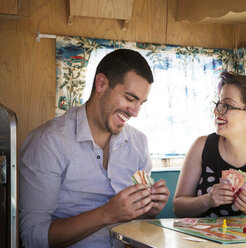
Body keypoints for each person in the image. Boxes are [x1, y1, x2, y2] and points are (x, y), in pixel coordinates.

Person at [19, 49, 170, 248]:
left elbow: (137, 224)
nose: (135, 112)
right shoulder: (48, 142)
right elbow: (31, 237)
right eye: (130, 98)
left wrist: (149, 209)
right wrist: (106, 214)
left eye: (141, 103)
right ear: (101, 84)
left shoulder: (139, 143)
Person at [173, 71, 246, 218]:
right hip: (198, 240)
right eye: (219, 104)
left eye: (227, 105)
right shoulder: (201, 146)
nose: (216, 111)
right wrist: (207, 200)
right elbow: (178, 208)